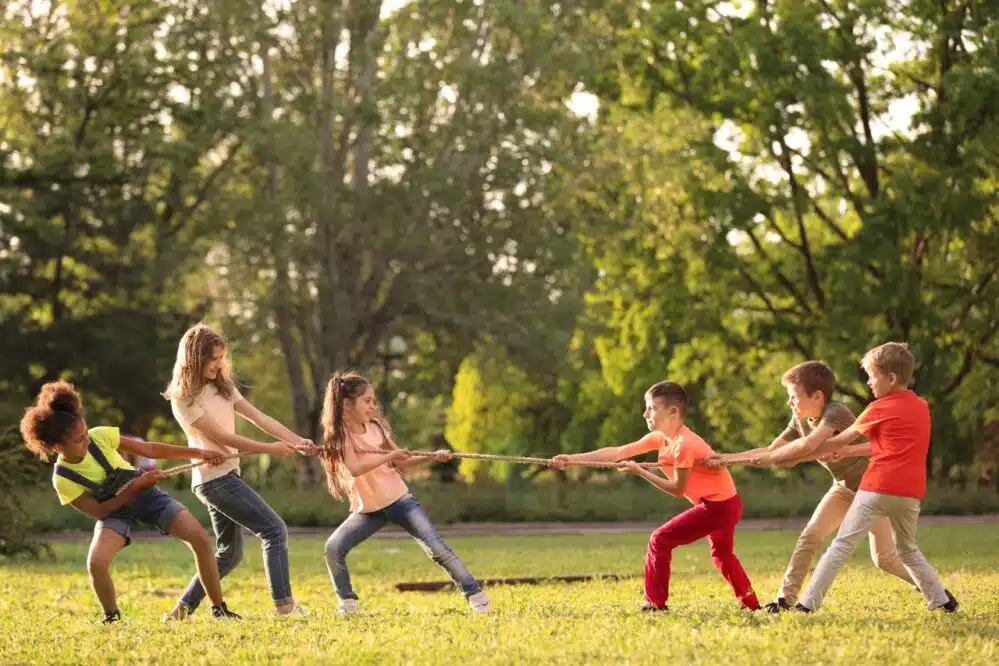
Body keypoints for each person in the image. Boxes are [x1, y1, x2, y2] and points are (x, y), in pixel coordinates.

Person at [20, 380, 240, 623]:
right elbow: (98, 511)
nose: (87, 441)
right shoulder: (63, 478)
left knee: (200, 538)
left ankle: (219, 608)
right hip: (115, 512)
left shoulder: (99, 436)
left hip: (148, 497)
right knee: (96, 562)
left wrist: (199, 453)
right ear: (58, 447)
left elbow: (149, 449)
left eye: (85, 434)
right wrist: (134, 488)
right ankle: (112, 617)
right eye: (79, 440)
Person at [707, 360, 915, 612]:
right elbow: (772, 451)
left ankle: (933, 589)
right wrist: (726, 459)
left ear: (817, 397)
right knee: (810, 537)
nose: (790, 403)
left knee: (885, 559)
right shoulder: (799, 420)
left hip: (873, 491)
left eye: (794, 397)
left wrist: (775, 458)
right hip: (844, 489)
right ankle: (785, 599)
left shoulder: (836, 413)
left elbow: (808, 446)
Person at [553, 380, 760, 612]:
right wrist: (572, 460)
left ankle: (655, 603)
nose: (645, 414)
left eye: (651, 408)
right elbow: (618, 452)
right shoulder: (661, 439)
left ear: (673, 412)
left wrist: (641, 471)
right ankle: (751, 604)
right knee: (722, 555)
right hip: (726, 503)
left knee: (659, 540)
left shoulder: (684, 445)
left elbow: (677, 489)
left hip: (718, 507)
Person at [163, 323, 315, 620]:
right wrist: (270, 449)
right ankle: (285, 607)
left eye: (220, 358)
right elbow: (223, 438)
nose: (218, 364)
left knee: (229, 554)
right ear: (194, 358)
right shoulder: (184, 398)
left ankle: (180, 612)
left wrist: (297, 441)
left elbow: (260, 417)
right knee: (274, 530)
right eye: (212, 358)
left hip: (227, 475)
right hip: (213, 481)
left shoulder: (222, 386)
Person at [794, 342, 958, 613]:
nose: (869, 383)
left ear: (890, 378)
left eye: (872, 376)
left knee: (841, 545)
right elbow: (886, 445)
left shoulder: (877, 408)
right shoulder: (921, 406)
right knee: (908, 550)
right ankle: (941, 600)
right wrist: (846, 451)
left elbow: (840, 440)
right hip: (910, 493)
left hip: (877, 489)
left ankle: (806, 604)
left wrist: (802, 452)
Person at [319, 370, 491, 616]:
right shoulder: (341, 437)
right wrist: (389, 456)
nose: (372, 406)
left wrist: (434, 457)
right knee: (334, 548)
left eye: (373, 400)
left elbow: (402, 461)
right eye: (367, 401)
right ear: (347, 404)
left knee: (437, 549)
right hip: (367, 510)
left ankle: (475, 595)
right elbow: (355, 468)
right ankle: (347, 604)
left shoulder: (376, 428)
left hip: (399, 500)